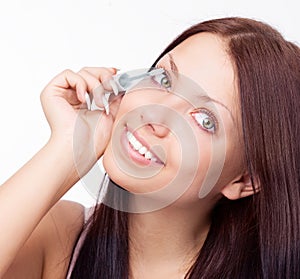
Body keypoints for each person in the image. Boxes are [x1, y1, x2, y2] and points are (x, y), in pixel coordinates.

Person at [0, 16, 299, 279]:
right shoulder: (62, 238)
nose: (155, 114)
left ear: (244, 180)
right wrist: (69, 146)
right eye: (165, 79)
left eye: (205, 120)